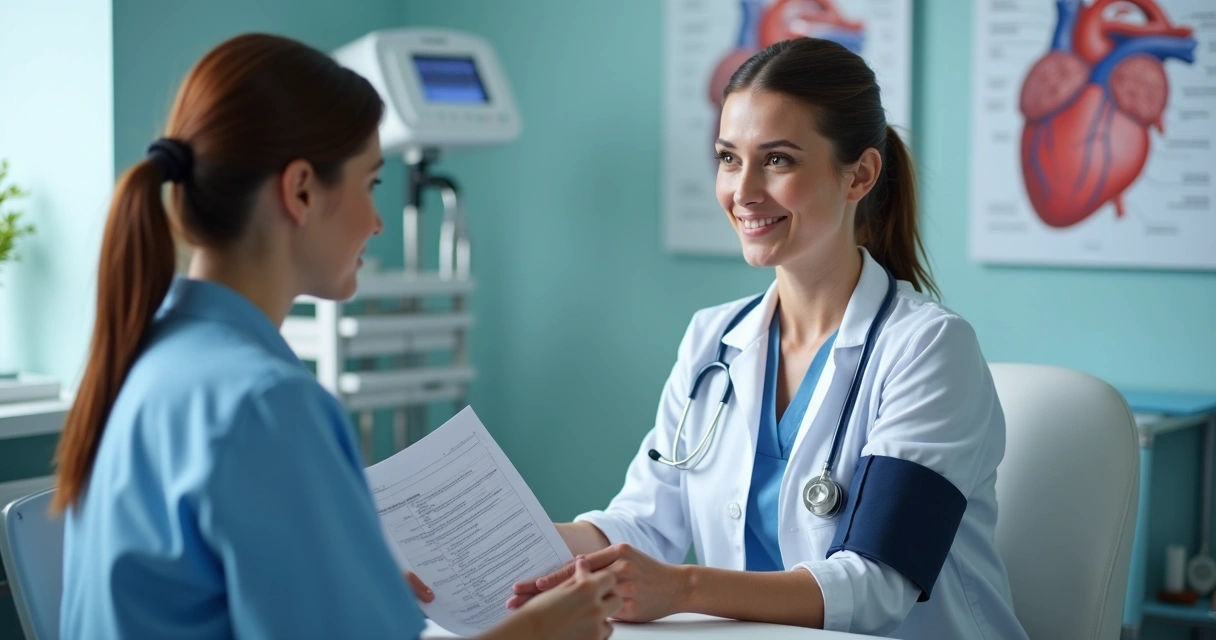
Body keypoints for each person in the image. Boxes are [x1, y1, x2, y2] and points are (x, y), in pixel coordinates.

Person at [53, 33, 619, 640]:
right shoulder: (266, 405)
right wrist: (539, 631)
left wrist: (349, 586)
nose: (377, 221)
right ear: (300, 191)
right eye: (372, 183)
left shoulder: (146, 354)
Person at [507, 38, 1029, 639]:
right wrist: (511, 542)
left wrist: (682, 588)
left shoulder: (930, 350)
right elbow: (644, 522)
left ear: (859, 174)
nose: (744, 191)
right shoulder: (714, 339)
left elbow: (878, 584)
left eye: (777, 160)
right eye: (729, 158)